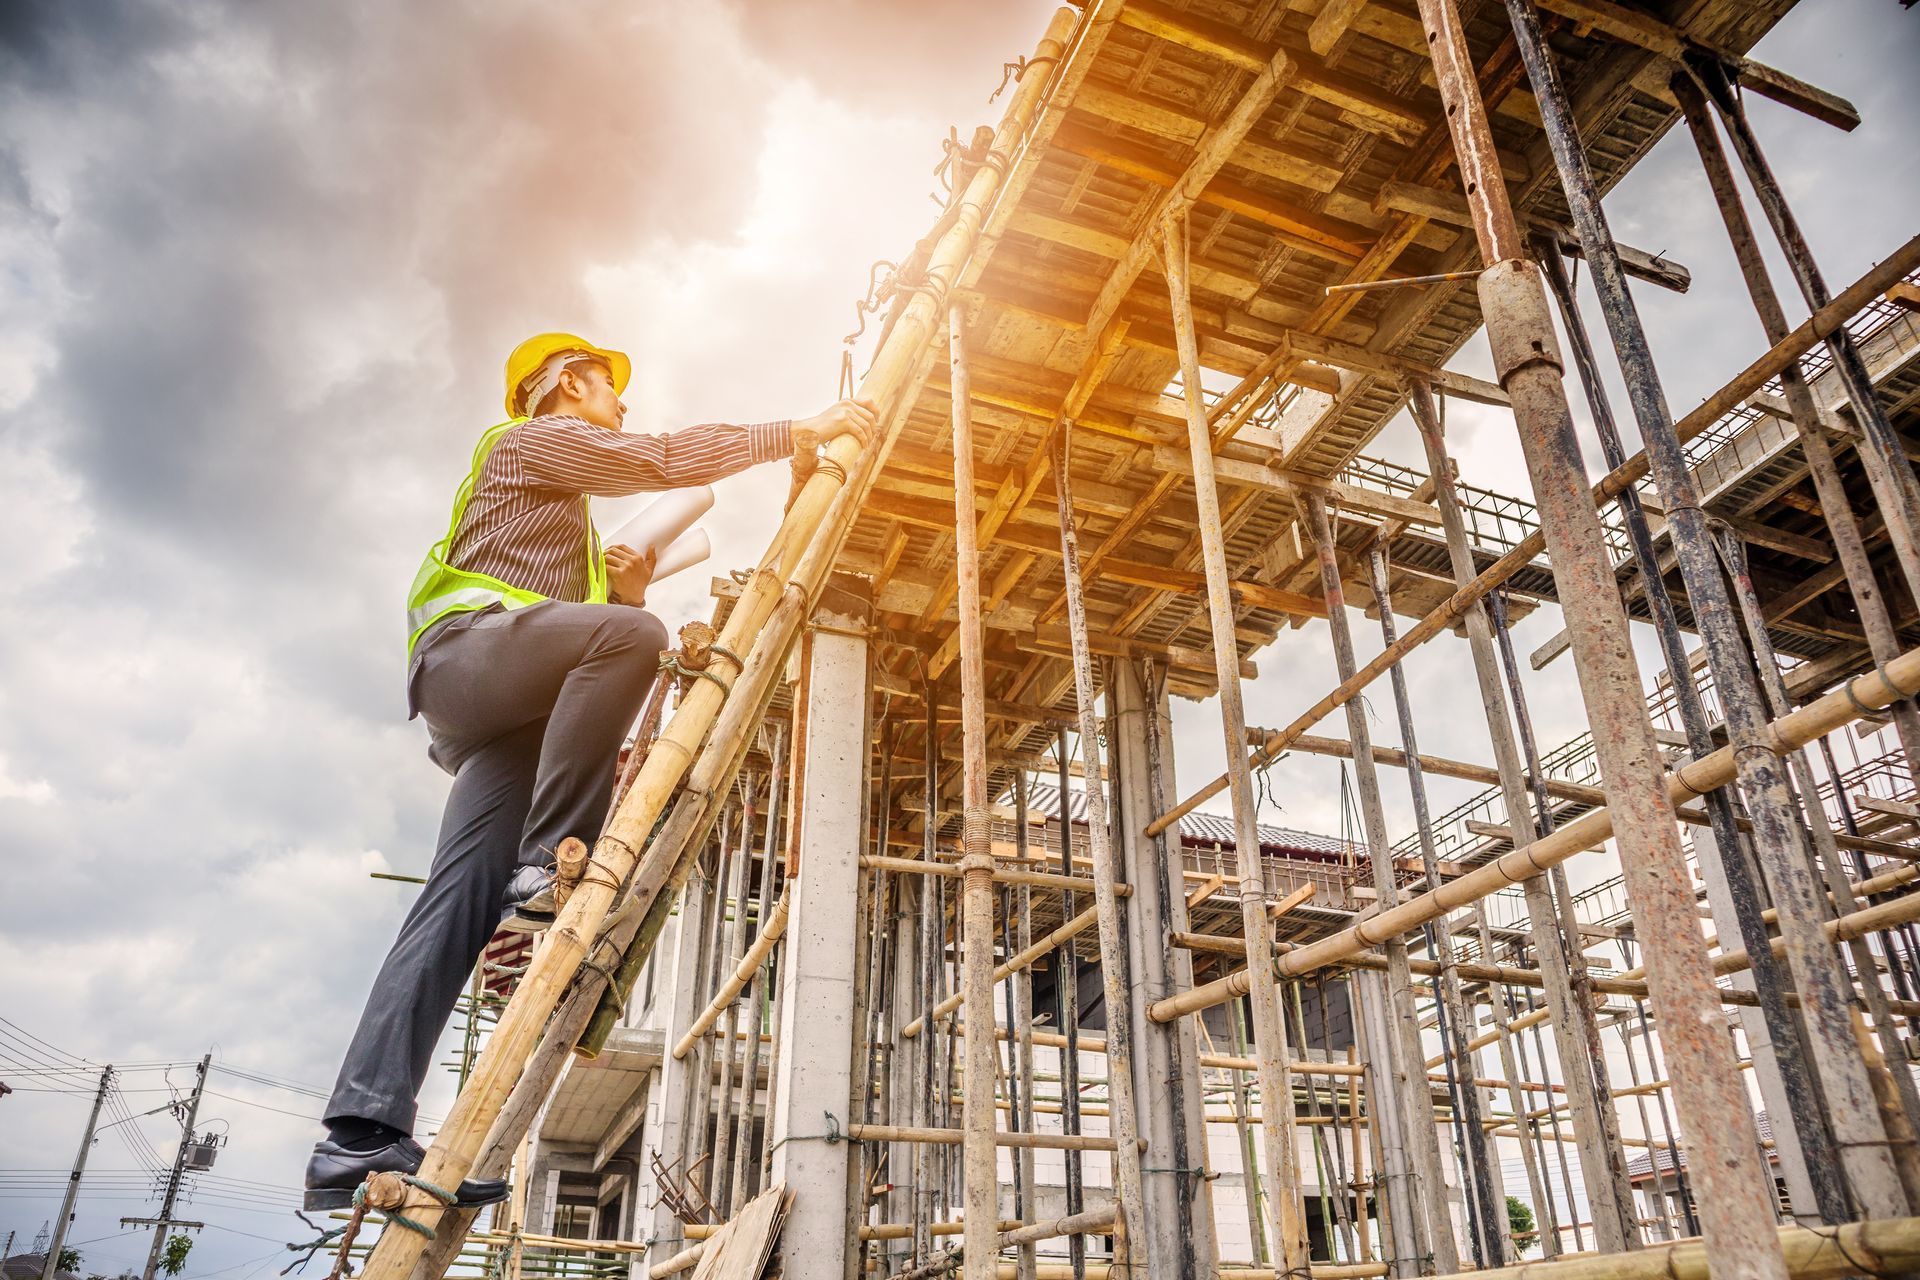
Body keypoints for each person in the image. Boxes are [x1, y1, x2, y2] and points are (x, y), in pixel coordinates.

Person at [305, 332, 877, 1209]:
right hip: (466, 660)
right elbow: (653, 459)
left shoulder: (564, 532)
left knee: (454, 903)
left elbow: (582, 645)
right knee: (635, 643)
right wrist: (797, 431)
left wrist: (628, 590)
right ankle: (546, 863)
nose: (621, 409)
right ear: (571, 383)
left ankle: (360, 1134)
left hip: (506, 706)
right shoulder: (530, 442)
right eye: (611, 392)